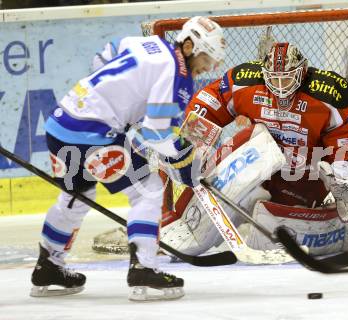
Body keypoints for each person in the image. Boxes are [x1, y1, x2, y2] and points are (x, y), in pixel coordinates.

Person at [30, 16, 225, 301]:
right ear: (188, 45)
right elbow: (158, 133)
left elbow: (103, 56)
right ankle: (144, 269)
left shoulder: (148, 43)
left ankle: (48, 266)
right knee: (148, 189)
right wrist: (186, 162)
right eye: (208, 58)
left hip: (62, 123)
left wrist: (119, 102)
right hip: (93, 133)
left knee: (77, 193)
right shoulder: (176, 75)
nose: (210, 67)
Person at [162, 42, 348, 258]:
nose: (281, 86)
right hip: (259, 162)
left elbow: (346, 141)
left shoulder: (331, 93)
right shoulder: (244, 80)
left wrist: (341, 177)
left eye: (287, 78)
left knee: (266, 229)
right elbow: (210, 101)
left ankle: (345, 217)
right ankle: (185, 223)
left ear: (301, 73)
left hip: (303, 176)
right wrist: (189, 144)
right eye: (274, 79)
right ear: (265, 74)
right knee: (255, 138)